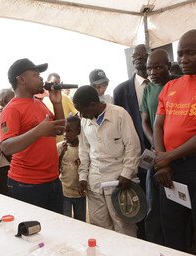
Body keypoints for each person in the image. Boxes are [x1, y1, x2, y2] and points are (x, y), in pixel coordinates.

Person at [0, 58, 65, 213]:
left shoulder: (38, 103)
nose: (41, 78)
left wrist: (57, 103)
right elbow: (6, 147)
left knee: (55, 230)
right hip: (27, 184)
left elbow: (59, 129)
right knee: (33, 232)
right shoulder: (12, 109)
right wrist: (39, 131)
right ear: (21, 79)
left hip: (52, 179)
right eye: (35, 74)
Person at [74, 85, 141, 237]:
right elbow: (84, 151)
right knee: (100, 228)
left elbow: (133, 146)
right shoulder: (85, 121)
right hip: (95, 182)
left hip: (118, 180)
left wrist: (127, 173)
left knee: (123, 226)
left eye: (83, 111)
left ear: (92, 105)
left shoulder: (119, 114)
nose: (81, 115)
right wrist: (83, 177)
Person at [153, 29, 196, 253]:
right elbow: (158, 125)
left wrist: (167, 157)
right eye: (180, 54)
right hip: (170, 169)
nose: (183, 59)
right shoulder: (170, 87)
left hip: (192, 165)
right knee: (173, 229)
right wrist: (164, 162)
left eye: (191, 53)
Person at [113, 44, 150, 239]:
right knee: (140, 203)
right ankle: (144, 238)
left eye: (141, 55)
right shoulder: (121, 90)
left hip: (165, 155)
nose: (137, 59)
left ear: (148, 56)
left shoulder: (163, 83)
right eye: (134, 56)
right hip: (136, 159)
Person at [140, 49, 173, 245]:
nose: (152, 72)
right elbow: (145, 121)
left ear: (169, 66)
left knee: (175, 206)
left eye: (158, 67)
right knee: (153, 205)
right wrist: (156, 145)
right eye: (149, 68)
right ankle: (155, 244)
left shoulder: (178, 84)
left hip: (177, 154)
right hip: (155, 152)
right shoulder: (148, 90)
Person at [57, 116, 86, 222]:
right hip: (64, 191)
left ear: (78, 131)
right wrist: (61, 154)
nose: (65, 134)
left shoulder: (84, 149)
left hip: (80, 193)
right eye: (64, 131)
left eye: (69, 131)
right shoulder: (60, 146)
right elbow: (55, 170)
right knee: (66, 220)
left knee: (81, 220)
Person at [43, 73, 78, 142]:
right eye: (53, 83)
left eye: (58, 84)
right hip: (50, 140)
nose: (56, 86)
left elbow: (76, 115)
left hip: (62, 139)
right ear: (47, 83)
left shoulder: (65, 98)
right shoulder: (44, 100)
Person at [0, 88, 14, 195]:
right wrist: (15, 163)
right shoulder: (1, 119)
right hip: (6, 164)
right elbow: (3, 145)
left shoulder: (13, 114)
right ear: (4, 100)